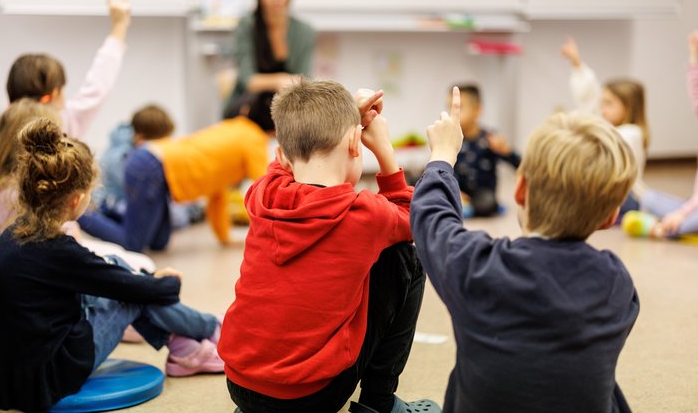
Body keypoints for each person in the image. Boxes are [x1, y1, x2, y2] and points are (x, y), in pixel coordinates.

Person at [0, 119, 224, 412]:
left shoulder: (15, 233)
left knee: (115, 266)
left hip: (3, 375)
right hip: (46, 374)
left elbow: (103, 275)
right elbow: (131, 289)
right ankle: (209, 329)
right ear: (76, 199)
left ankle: (185, 346)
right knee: (132, 295)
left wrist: (147, 280)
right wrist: (166, 283)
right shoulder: (59, 251)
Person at [411, 88, 639, 412]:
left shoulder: (476, 266)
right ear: (611, 217)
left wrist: (442, 157)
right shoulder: (617, 282)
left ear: (520, 191)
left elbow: (432, 217)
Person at [218, 80, 440, 413]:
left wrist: (342, 116)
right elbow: (413, 220)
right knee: (407, 254)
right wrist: (385, 152)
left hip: (240, 386)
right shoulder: (365, 213)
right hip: (313, 398)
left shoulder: (262, 193)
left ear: (281, 156)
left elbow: (286, 158)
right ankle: (379, 404)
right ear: (355, 142)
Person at [78, 106, 270, 251]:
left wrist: (225, 238)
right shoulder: (254, 138)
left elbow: (217, 193)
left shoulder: (238, 129)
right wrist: (275, 234)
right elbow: (266, 188)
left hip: (154, 167)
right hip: (150, 165)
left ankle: (105, 211)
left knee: (159, 242)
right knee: (133, 243)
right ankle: (79, 212)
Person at [622, 23, 698, 238]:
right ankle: (685, 224)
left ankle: (665, 229)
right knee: (649, 197)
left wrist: (682, 213)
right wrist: (693, 55)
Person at [5, 0, 130, 139]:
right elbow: (98, 86)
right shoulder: (65, 122)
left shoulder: (3, 130)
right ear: (56, 93)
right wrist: (119, 25)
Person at [561, 37, 648, 215]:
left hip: (627, 197)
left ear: (628, 107)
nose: (602, 109)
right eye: (603, 103)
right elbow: (590, 98)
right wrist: (577, 63)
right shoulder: (610, 126)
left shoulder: (631, 134)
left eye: (609, 104)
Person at [223, 0, 315, 132]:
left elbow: (305, 79)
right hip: (248, 109)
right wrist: (280, 80)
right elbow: (248, 80)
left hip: (289, 110)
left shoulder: (304, 30)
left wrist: (280, 82)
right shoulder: (246, 26)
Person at [450, 84, 520, 217]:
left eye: (460, 107)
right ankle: (459, 204)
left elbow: (520, 166)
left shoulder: (490, 139)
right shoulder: (450, 140)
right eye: (449, 106)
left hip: (482, 195)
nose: (453, 112)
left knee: (486, 202)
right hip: (458, 193)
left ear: (477, 110)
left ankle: (466, 208)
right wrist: (454, 190)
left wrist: (507, 152)